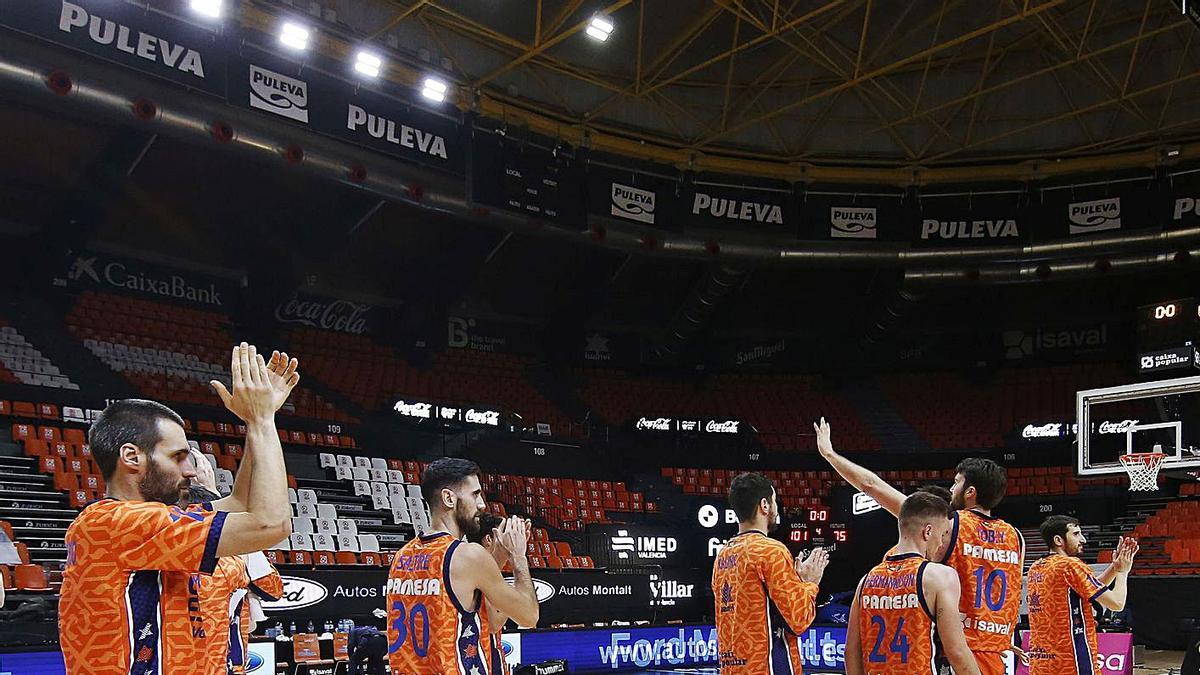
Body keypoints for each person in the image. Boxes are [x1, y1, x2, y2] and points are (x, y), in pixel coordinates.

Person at [59, 344, 299, 675]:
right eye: (177, 456)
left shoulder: (146, 523)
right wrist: (262, 421)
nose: (190, 470)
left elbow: (241, 505)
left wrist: (252, 423)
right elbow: (269, 524)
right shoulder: (114, 523)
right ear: (132, 457)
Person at [815, 418, 1023, 675]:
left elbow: (872, 486)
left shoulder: (947, 523)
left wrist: (830, 454)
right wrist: (1002, 639)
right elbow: (1012, 595)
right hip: (997, 652)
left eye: (956, 483)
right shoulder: (1016, 536)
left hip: (958, 654)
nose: (951, 487)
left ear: (970, 492)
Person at [387, 458, 539, 674]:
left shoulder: (402, 556)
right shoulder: (468, 555)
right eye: (475, 494)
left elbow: (492, 622)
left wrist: (500, 554)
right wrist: (518, 556)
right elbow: (529, 616)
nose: (482, 504)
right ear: (449, 498)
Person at [846, 493, 980, 675]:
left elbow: (851, 652)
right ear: (928, 532)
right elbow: (957, 652)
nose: (941, 543)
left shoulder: (866, 580)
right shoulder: (938, 576)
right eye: (942, 535)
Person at [712, 471, 830, 674]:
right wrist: (810, 583)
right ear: (764, 505)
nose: (777, 508)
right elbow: (798, 620)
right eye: (775, 501)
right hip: (768, 667)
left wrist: (796, 582)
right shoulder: (771, 551)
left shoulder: (723, 555)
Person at [1026, 517, 1138, 675]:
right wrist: (1122, 572)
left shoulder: (1036, 567)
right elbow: (1116, 603)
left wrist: (1114, 567)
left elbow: (1087, 587)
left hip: (1041, 660)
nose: (1083, 539)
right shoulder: (1070, 565)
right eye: (1076, 534)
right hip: (1072, 659)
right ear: (1059, 540)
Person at [467, 512, 520, 675]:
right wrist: (513, 601)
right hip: (481, 655)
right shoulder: (477, 572)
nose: (507, 538)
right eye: (502, 533)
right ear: (489, 539)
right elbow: (493, 624)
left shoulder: (476, 567)